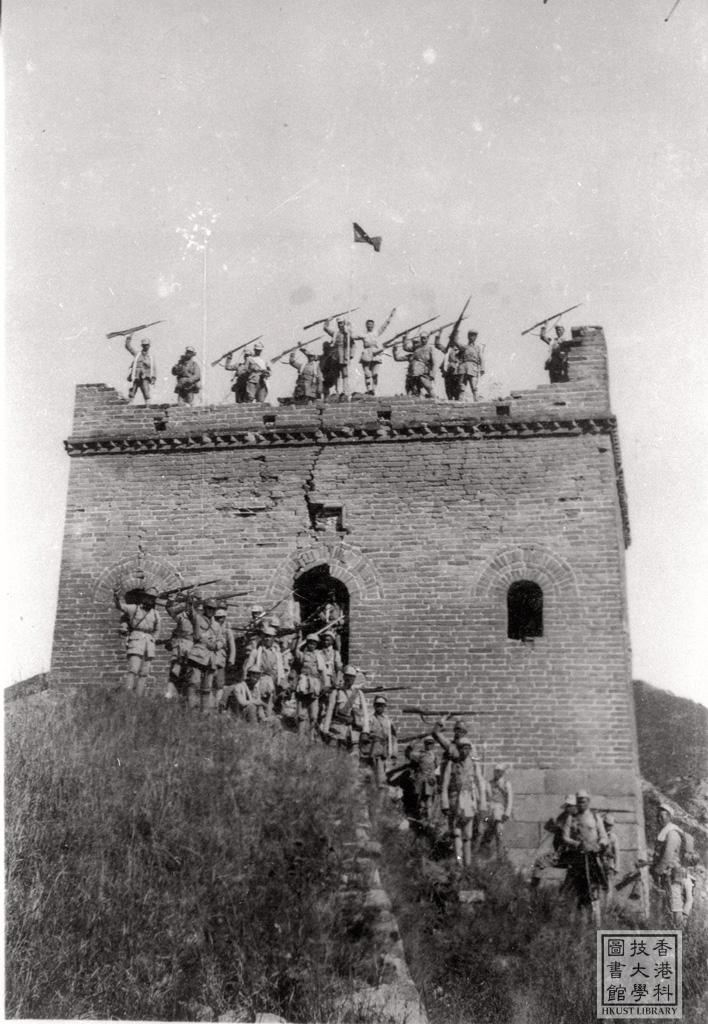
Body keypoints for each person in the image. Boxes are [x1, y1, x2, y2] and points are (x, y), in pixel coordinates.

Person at [561, 789, 609, 922]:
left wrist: (600, 845)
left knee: (594, 888)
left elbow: (604, 836)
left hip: (593, 857)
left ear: (588, 802)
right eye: (579, 801)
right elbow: (565, 837)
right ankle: (577, 921)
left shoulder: (595, 818)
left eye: (584, 801)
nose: (581, 804)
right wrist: (577, 844)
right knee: (575, 888)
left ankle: (596, 922)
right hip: (578, 858)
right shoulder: (571, 817)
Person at [441, 737, 487, 868]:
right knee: (456, 832)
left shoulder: (474, 763)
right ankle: (458, 862)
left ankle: (467, 864)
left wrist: (482, 801)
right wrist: (444, 802)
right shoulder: (452, 763)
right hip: (455, 799)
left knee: (468, 834)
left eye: (467, 748)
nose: (465, 751)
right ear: (458, 749)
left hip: (468, 799)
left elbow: (480, 782)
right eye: (462, 748)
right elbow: (445, 784)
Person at [651, 804, 695, 928]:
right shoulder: (670, 832)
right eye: (658, 816)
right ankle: (677, 928)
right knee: (675, 901)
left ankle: (679, 931)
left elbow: (667, 856)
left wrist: (657, 871)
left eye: (662, 816)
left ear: (669, 817)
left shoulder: (671, 834)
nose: (659, 819)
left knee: (675, 904)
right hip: (678, 870)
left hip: (674, 872)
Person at [113, 585, 161, 695]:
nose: (150, 600)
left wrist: (153, 640)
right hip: (136, 640)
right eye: (148, 597)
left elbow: (157, 630)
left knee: (144, 672)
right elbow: (119, 606)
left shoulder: (155, 614)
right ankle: (128, 696)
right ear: (143, 598)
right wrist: (116, 596)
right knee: (133, 669)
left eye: (153, 598)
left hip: (149, 644)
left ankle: (139, 698)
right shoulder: (134, 608)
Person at [530, 794, 577, 888]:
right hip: (562, 853)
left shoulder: (574, 819)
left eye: (570, 806)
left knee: (540, 862)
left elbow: (567, 836)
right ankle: (534, 889)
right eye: (567, 806)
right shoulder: (564, 816)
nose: (568, 808)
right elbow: (555, 828)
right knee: (540, 862)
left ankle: (533, 889)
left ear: (575, 807)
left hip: (569, 854)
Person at [320, 664, 370, 752]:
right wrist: (325, 729)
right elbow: (329, 711)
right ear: (344, 677)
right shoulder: (336, 692)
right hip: (337, 729)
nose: (349, 679)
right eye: (347, 676)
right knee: (335, 755)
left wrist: (365, 731)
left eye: (352, 677)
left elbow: (365, 714)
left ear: (354, 679)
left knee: (353, 757)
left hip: (354, 732)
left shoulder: (359, 693)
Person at [185, 596, 220, 712]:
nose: (211, 611)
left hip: (210, 658)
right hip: (197, 655)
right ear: (204, 608)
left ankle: (204, 712)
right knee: (193, 683)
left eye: (213, 609)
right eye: (209, 608)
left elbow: (221, 640)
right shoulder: (197, 618)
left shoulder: (216, 625)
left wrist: (216, 645)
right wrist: (190, 602)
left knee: (206, 688)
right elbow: (189, 612)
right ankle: (191, 710)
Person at [164, 591, 198, 700]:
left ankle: (184, 697)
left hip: (193, 647)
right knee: (175, 670)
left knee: (189, 673)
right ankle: (169, 694)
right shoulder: (182, 616)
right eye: (191, 599)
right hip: (181, 646)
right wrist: (170, 601)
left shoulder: (200, 616)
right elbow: (170, 610)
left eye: (195, 599)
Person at [293, 634, 327, 737]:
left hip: (315, 685)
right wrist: (299, 637)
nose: (311, 645)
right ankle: (300, 735)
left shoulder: (319, 656)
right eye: (310, 643)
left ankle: (311, 736)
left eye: (314, 643)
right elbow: (295, 650)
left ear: (316, 645)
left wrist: (324, 685)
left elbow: (322, 672)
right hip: (304, 684)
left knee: (314, 714)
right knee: (302, 713)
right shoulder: (303, 655)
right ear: (307, 644)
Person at [356, 309, 396, 395]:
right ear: (366, 325)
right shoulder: (363, 334)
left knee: (375, 373)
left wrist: (390, 316)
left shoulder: (376, 333)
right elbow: (353, 336)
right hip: (366, 353)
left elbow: (384, 326)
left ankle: (374, 389)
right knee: (367, 373)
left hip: (376, 352)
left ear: (373, 326)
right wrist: (348, 328)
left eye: (371, 325)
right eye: (368, 325)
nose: (370, 326)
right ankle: (369, 389)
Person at [481, 763, 513, 859]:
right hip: (489, 810)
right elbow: (486, 797)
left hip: (499, 811)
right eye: (496, 771)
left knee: (499, 832)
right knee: (485, 832)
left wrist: (507, 812)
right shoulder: (489, 783)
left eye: (500, 772)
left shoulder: (506, 783)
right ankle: (484, 855)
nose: (498, 774)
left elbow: (510, 799)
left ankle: (500, 856)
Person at [392, 332, 435, 397]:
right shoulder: (411, 356)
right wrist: (395, 350)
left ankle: (434, 398)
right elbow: (397, 358)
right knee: (412, 390)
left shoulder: (427, 349)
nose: (415, 344)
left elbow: (433, 362)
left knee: (428, 387)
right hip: (412, 376)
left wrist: (432, 374)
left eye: (417, 342)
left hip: (422, 373)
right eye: (413, 343)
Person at [368, 695, 398, 788]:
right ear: (374, 706)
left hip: (384, 752)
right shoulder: (370, 719)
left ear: (385, 707)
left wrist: (394, 754)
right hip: (372, 751)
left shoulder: (388, 721)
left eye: (382, 705)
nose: (379, 707)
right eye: (377, 705)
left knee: (384, 777)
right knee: (371, 777)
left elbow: (393, 738)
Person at [323, 317, 356, 395]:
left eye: (341, 323)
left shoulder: (348, 333)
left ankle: (345, 390)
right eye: (338, 323)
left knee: (345, 373)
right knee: (336, 374)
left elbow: (353, 344)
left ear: (344, 324)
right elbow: (325, 328)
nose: (340, 325)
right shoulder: (335, 333)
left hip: (344, 356)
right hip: (335, 356)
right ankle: (337, 390)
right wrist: (328, 320)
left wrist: (351, 355)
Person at [212, 606, 236, 711]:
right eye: (218, 617)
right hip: (210, 658)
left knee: (220, 683)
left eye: (222, 617)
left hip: (221, 659)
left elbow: (232, 645)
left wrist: (231, 659)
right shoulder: (211, 627)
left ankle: (217, 705)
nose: (220, 620)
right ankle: (209, 705)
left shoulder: (227, 630)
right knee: (208, 682)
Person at [125, 335, 157, 403]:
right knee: (133, 390)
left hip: (145, 376)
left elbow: (153, 368)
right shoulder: (137, 354)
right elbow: (128, 347)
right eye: (144, 345)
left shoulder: (150, 357)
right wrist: (128, 338)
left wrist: (154, 378)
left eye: (147, 345)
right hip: (136, 375)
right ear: (142, 346)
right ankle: (130, 402)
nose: (146, 347)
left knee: (146, 390)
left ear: (149, 346)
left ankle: (148, 404)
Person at [457, 331, 485, 400]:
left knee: (474, 386)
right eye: (470, 335)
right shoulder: (464, 347)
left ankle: (476, 400)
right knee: (462, 387)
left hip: (473, 368)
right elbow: (456, 343)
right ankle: (461, 400)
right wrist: (455, 333)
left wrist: (482, 368)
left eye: (473, 336)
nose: (472, 337)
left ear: (476, 337)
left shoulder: (478, 348)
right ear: (468, 336)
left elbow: (481, 358)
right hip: (464, 368)